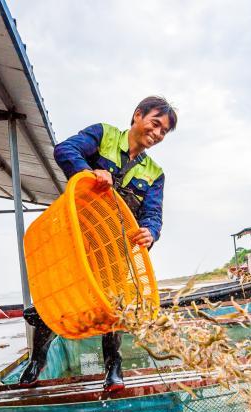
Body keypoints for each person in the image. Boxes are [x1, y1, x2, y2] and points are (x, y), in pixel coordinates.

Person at [19, 95, 178, 392]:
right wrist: (88, 172)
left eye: (163, 132)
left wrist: (150, 232)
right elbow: (65, 150)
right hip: (76, 240)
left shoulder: (155, 173)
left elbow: (153, 214)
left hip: (114, 248)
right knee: (60, 299)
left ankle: (112, 368)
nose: (156, 134)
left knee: (115, 304)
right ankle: (37, 359)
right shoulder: (103, 135)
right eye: (154, 124)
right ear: (138, 115)